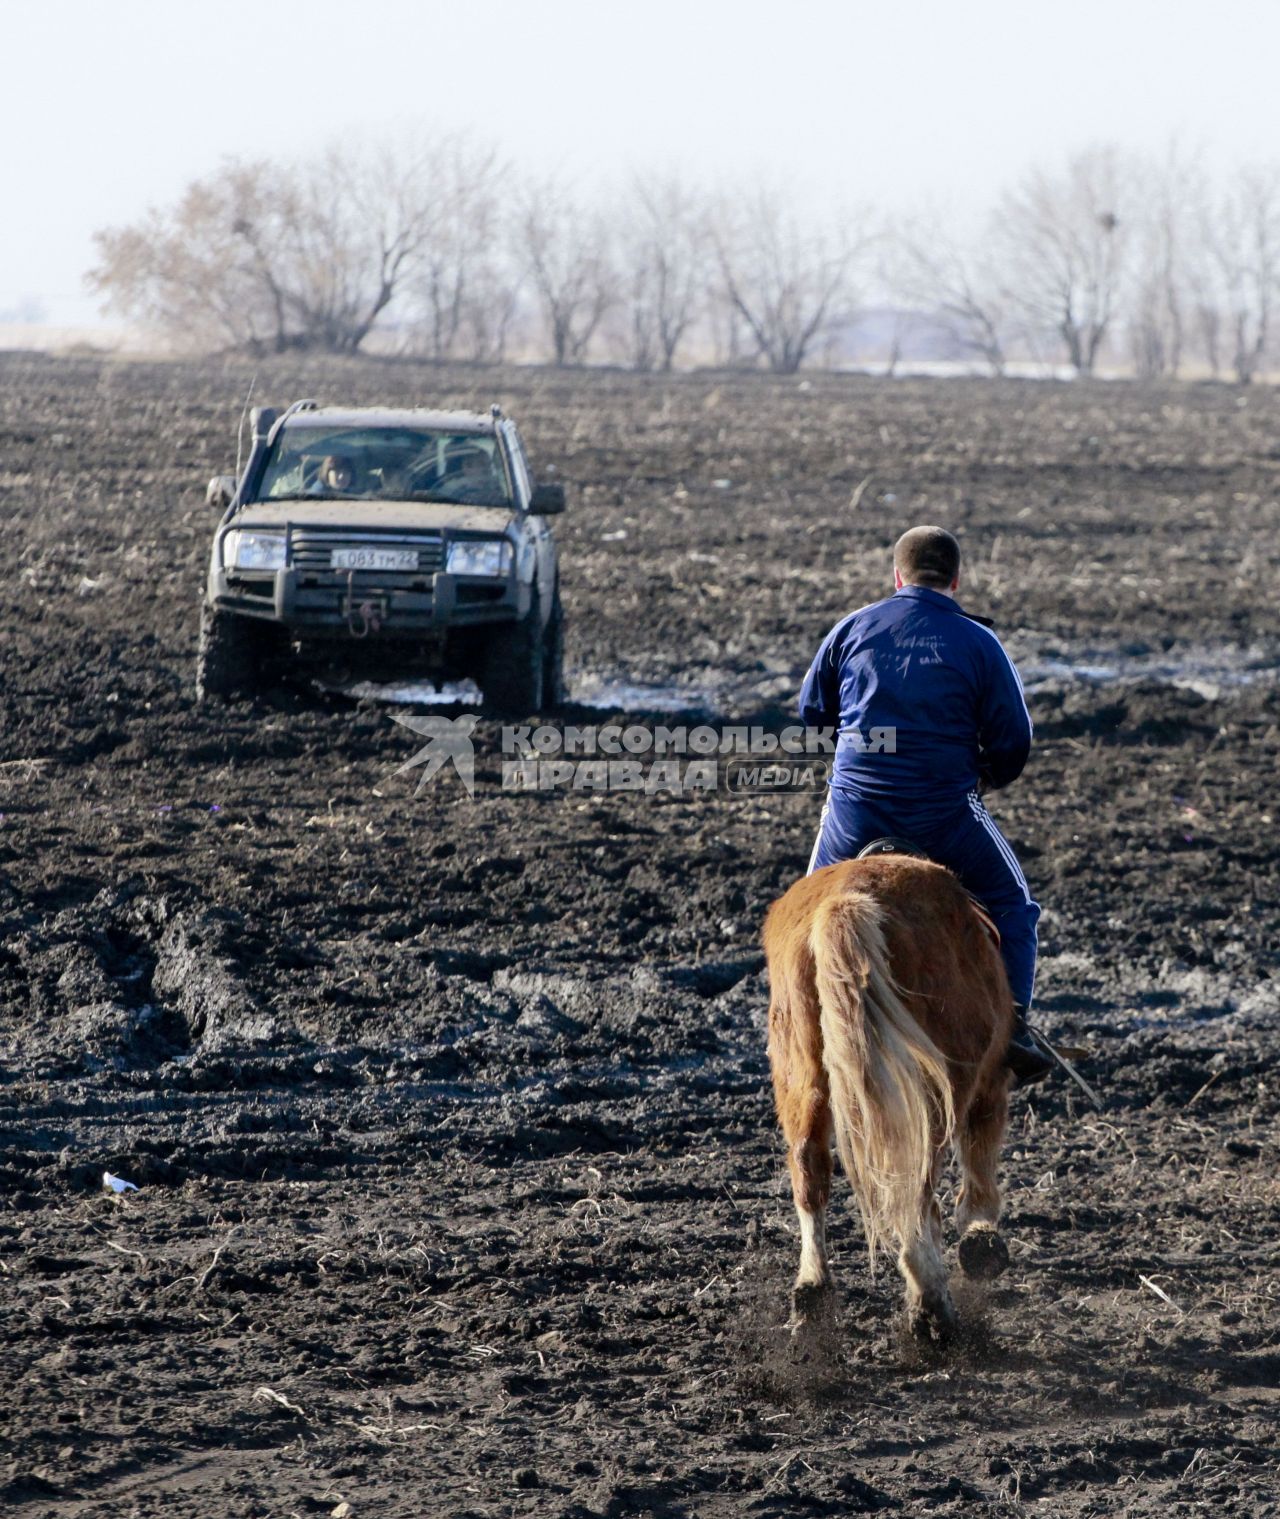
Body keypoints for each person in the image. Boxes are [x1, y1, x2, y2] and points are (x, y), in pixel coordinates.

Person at [799, 525, 1052, 1085]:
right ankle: (1014, 1029)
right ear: (956, 580)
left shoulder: (850, 629)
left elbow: (811, 717)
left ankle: (801, 1019)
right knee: (1014, 905)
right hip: (945, 814)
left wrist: (849, 766)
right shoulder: (981, 644)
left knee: (804, 909)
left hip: (856, 808)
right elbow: (1014, 742)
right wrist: (984, 776)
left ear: (897, 577)